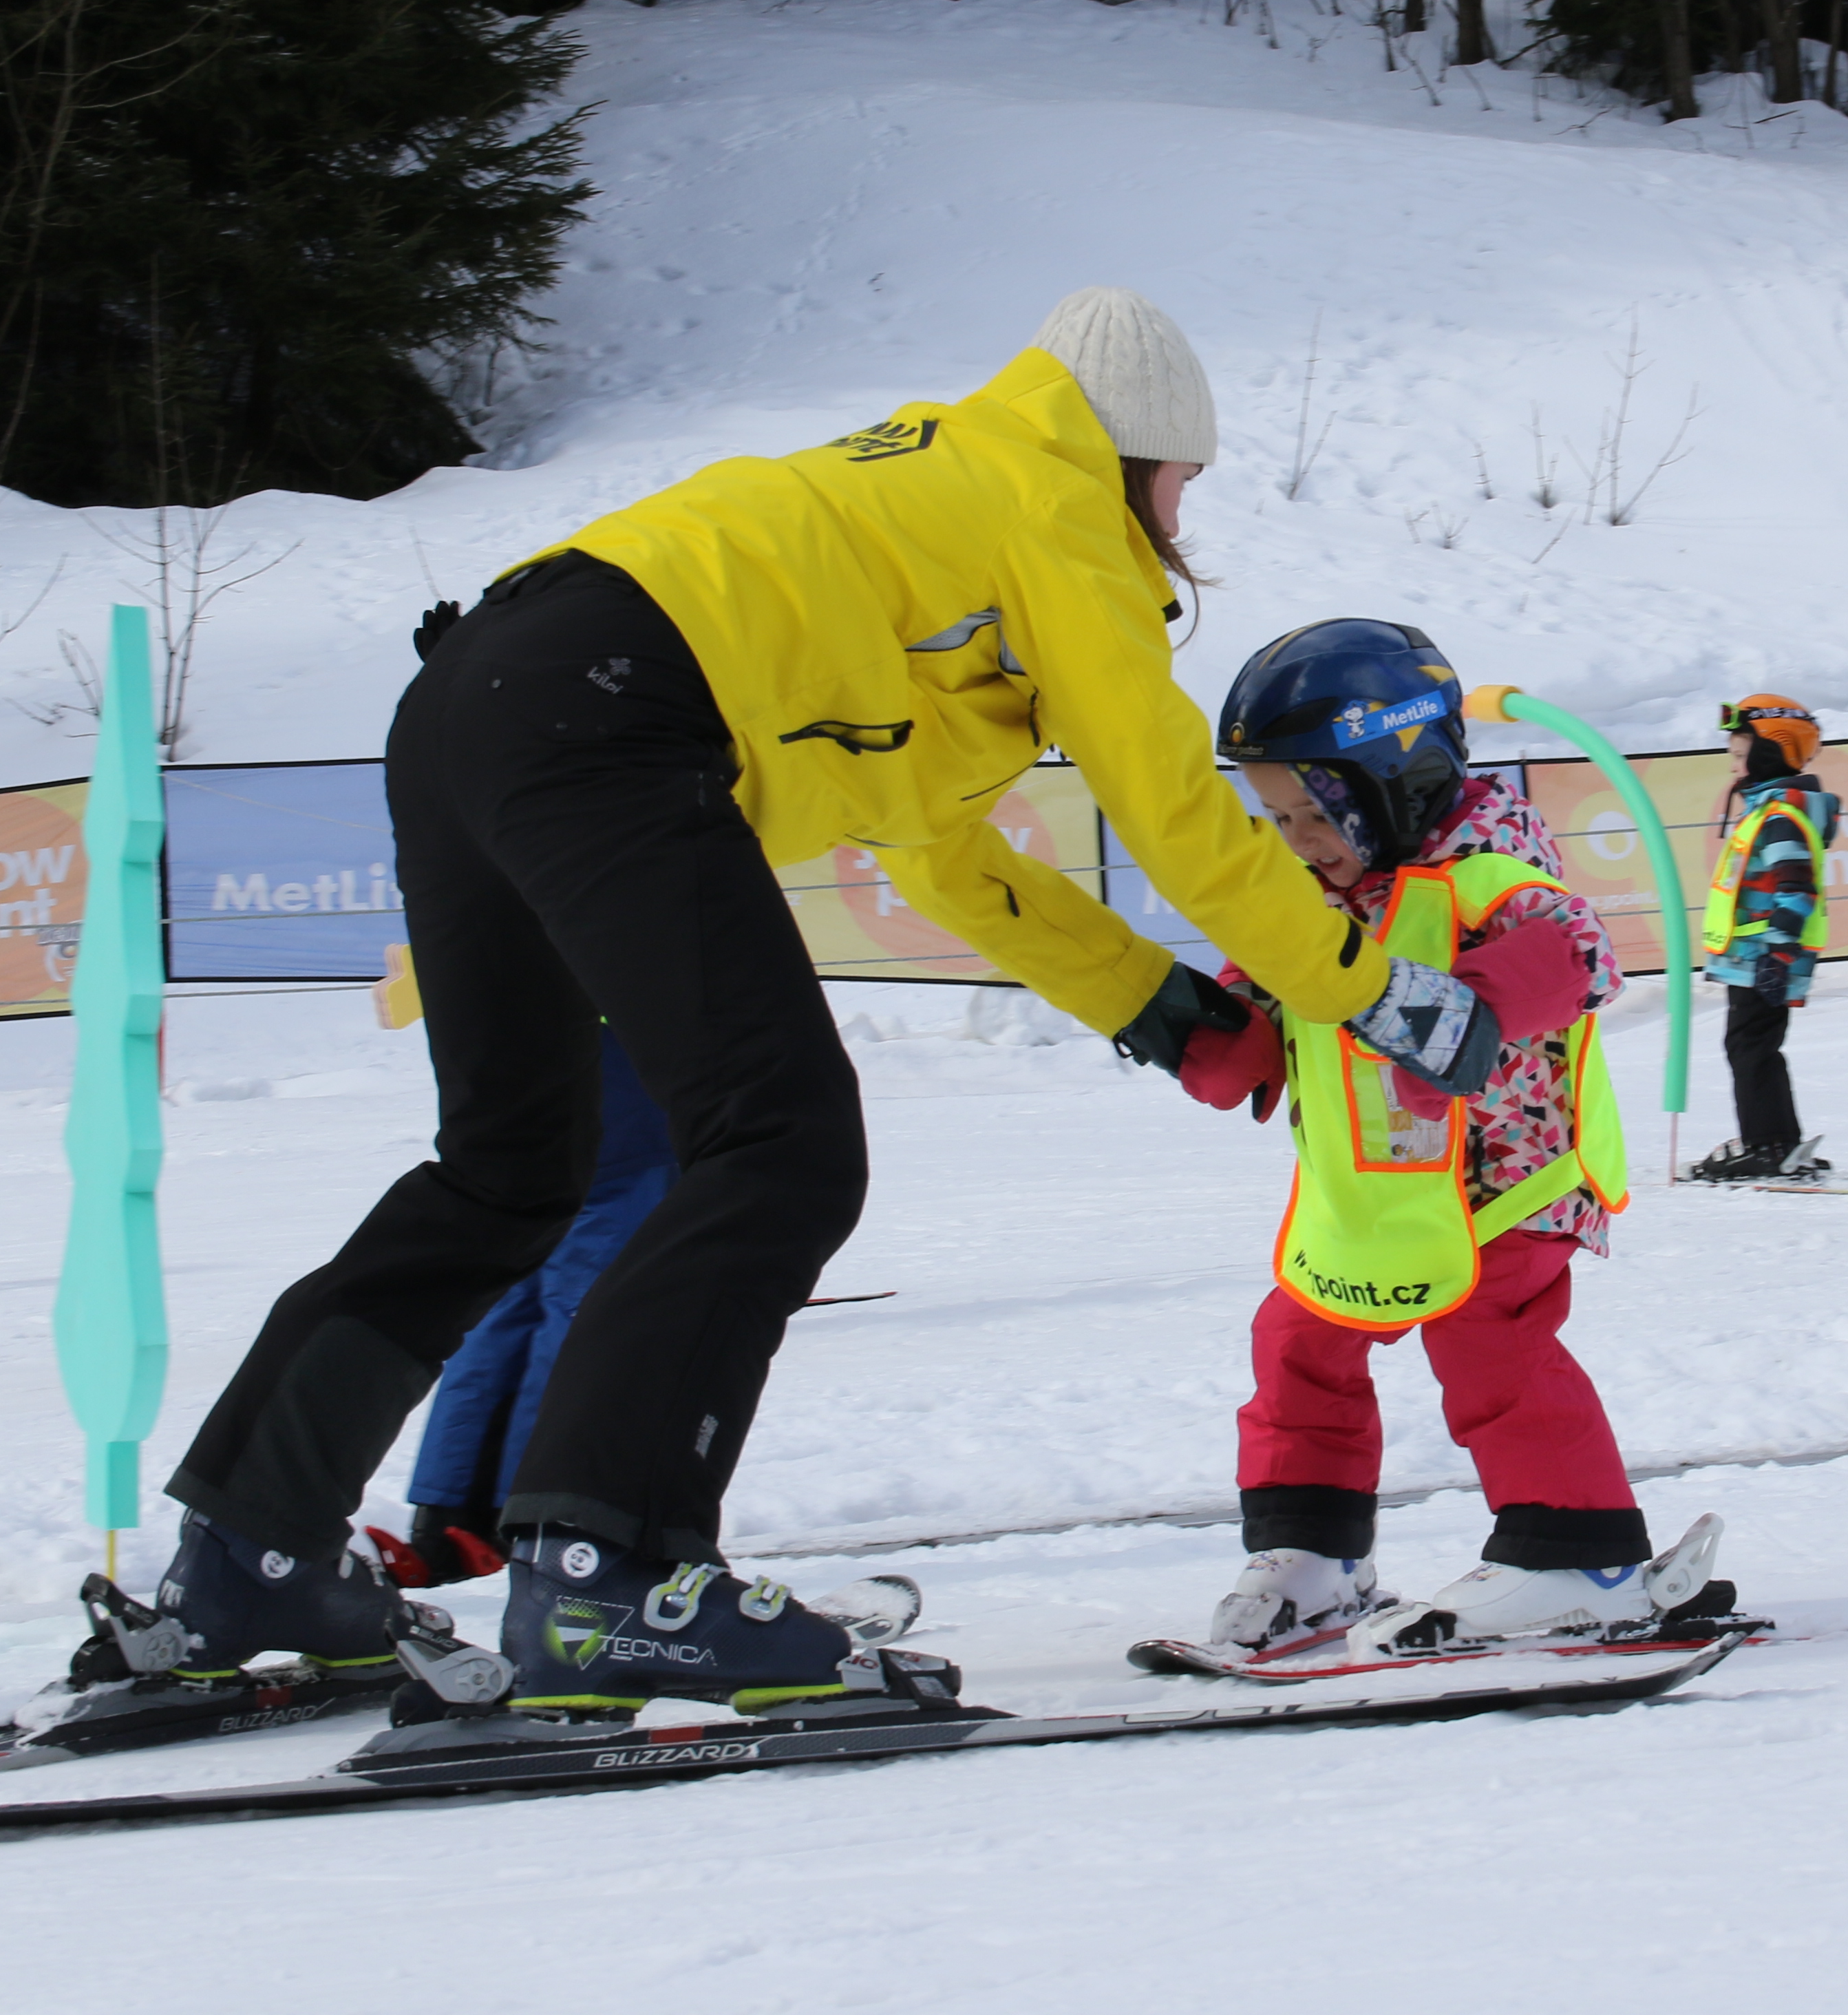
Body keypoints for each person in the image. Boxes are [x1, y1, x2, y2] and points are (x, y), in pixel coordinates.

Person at [144, 290, 1496, 1720]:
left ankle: (251, 1550)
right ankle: (611, 1574)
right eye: (1185, 481)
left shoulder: (926, 510)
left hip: (481, 695)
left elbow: (951, 859)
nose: (1184, 517)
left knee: (506, 1172)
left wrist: (1165, 1009)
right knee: (778, 1143)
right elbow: (1168, 803)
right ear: (1137, 456)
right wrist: (1362, 988)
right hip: (616, 712)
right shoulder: (1055, 515)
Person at [1173, 619, 1713, 1660]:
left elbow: (1577, 951)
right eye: (1272, 814)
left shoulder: (1487, 852)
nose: (1294, 837)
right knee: (1299, 1341)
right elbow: (1264, 1005)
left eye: (1310, 811)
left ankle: (1579, 1557)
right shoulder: (1313, 888)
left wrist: (1466, 1014)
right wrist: (1202, 1035)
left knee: (1491, 1347)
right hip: (1375, 1199)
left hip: (1509, 1180)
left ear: (1393, 781)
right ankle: (1315, 1556)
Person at [382, 1028, 673, 1588]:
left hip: (509, 1031)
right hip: (616, 1030)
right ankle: (538, 1510)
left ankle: (452, 1516)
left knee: (517, 1271)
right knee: (591, 1286)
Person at [1688, 693, 1841, 1183]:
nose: (1733, 764)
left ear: (1770, 751)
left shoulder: (1779, 816)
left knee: (1750, 1047)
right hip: (1755, 957)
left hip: (1765, 957)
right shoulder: (1767, 810)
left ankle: (1767, 1144)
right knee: (1755, 1046)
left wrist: (1777, 952)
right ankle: (1780, 1141)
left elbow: (1797, 890)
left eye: (1740, 753)